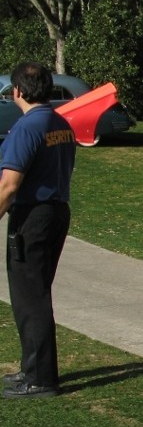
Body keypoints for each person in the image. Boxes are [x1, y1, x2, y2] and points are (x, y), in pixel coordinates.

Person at [0, 62, 76, 398]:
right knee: (36, 293)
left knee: (30, 298)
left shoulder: (27, 127)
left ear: (17, 91)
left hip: (32, 216)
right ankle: (32, 370)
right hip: (56, 211)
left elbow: (9, 185)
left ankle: (41, 380)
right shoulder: (60, 122)